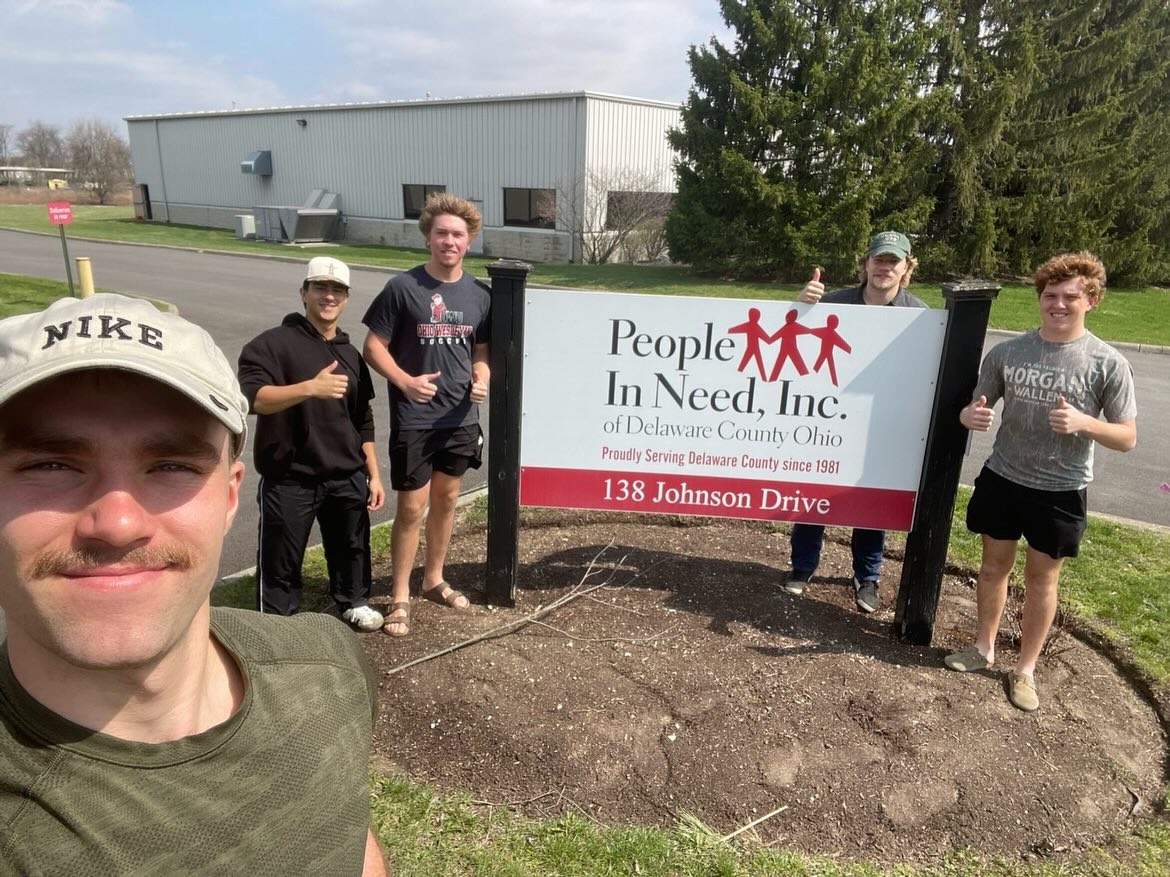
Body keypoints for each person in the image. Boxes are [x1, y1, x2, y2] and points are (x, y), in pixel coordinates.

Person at [0, 294, 387, 874]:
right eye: (50, 464)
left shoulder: (326, 666)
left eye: (171, 465)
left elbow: (349, 838)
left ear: (229, 495)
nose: (118, 523)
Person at [945, 252, 1137, 712]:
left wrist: (1084, 423)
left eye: (1071, 297)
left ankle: (1025, 669)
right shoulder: (1008, 352)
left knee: (1041, 581)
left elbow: (1127, 437)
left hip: (1061, 490)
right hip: (1004, 478)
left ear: (1090, 300)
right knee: (993, 568)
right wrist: (970, 415)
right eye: (1050, 295)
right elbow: (973, 406)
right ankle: (983, 648)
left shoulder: (1107, 363)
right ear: (1039, 298)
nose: (1058, 304)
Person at [363, 194, 490, 638]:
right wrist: (403, 380)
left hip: (460, 418)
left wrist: (482, 375)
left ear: (468, 241)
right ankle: (399, 595)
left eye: (457, 234)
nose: (449, 241)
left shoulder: (479, 295)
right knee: (412, 507)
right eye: (441, 233)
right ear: (428, 238)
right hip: (416, 419)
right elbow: (373, 345)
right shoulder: (403, 288)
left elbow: (481, 349)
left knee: (448, 500)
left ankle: (433, 579)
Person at [782, 231, 927, 613]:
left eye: (893, 261)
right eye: (878, 259)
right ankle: (802, 566)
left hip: (880, 422)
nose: (884, 267)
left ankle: (867, 578)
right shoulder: (833, 304)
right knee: (816, 491)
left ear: (906, 268)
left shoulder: (921, 316)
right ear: (865, 264)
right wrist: (799, 306)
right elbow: (787, 339)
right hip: (830, 417)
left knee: (870, 500)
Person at [238, 257, 385, 631]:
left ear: (346, 298)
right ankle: (278, 620)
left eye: (337, 290)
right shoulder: (271, 345)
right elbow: (253, 399)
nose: (329, 296)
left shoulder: (349, 354)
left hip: (346, 473)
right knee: (282, 555)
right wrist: (309, 388)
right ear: (304, 292)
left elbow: (362, 418)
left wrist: (374, 474)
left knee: (351, 546)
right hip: (291, 476)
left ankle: (353, 601)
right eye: (320, 287)